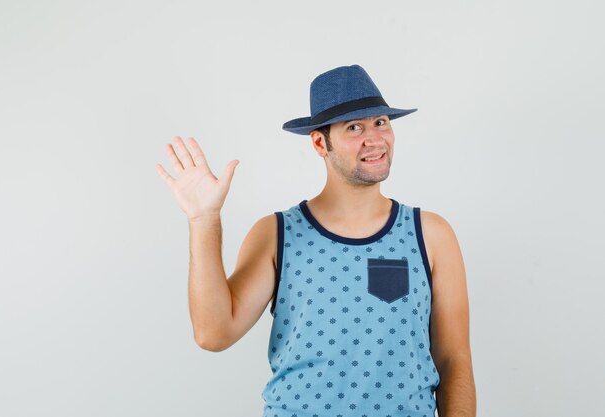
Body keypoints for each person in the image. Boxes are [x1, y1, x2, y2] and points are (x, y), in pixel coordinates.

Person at [155, 64, 476, 417]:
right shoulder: (276, 234)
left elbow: (453, 360)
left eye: (381, 122)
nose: (374, 139)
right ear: (320, 142)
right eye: (355, 127)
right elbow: (213, 334)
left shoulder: (430, 234)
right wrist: (204, 220)